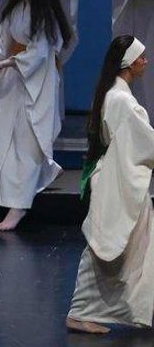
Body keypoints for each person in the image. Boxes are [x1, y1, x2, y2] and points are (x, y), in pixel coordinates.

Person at [66, 36, 154, 334]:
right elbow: (143, 142)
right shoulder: (121, 100)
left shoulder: (112, 94)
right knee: (110, 248)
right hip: (121, 183)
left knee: (132, 248)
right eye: (141, 57)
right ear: (129, 63)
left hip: (120, 179)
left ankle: (139, 308)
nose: (146, 61)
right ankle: (80, 311)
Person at [0, 0, 72, 231]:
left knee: (27, 140)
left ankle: (19, 204)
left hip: (36, 83)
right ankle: (10, 194)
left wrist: (5, 62)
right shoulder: (15, 10)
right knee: (7, 138)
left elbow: (38, 54)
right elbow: (2, 39)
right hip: (14, 82)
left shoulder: (43, 14)